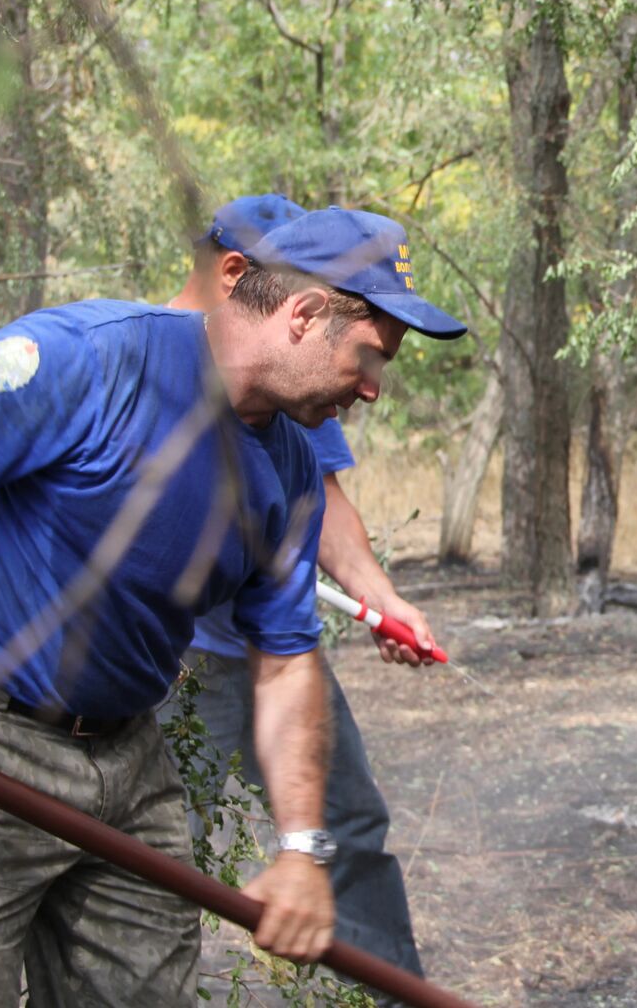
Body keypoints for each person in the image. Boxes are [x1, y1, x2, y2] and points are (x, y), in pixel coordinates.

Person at [0, 206, 464, 1006]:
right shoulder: (91, 359)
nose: (372, 388)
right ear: (302, 314)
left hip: (128, 759)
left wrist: (300, 848)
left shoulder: (292, 475)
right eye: (370, 357)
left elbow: (287, 658)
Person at [159, 196, 440, 984]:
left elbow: (322, 501)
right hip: (171, 666)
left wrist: (381, 597)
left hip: (274, 648)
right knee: (159, 851)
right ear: (237, 273)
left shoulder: (300, 374)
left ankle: (382, 992)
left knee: (343, 825)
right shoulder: (132, 360)